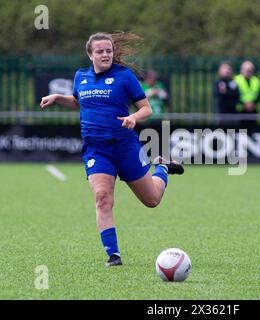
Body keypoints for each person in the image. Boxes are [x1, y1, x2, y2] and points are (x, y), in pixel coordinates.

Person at [40, 32, 184, 267]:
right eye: (100, 51)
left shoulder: (124, 76)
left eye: (109, 50)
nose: (106, 54)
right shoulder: (81, 77)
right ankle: (114, 255)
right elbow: (78, 102)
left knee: (152, 200)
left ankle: (163, 167)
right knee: (102, 198)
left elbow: (146, 108)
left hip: (126, 147)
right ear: (90, 54)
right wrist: (58, 97)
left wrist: (134, 117)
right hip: (96, 150)